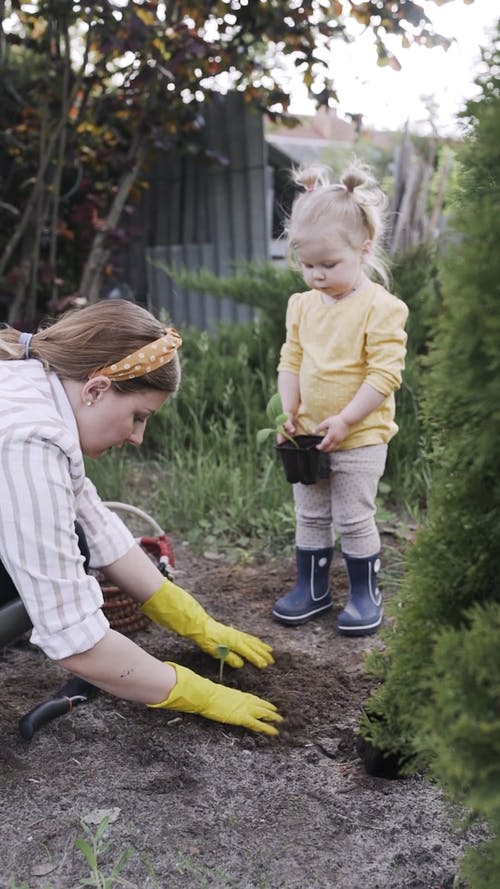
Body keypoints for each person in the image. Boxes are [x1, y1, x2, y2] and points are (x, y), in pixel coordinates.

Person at [0, 299, 282, 736]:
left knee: (76, 538)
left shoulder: (33, 383)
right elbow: (74, 637)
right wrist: (198, 693)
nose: (137, 437)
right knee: (54, 566)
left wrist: (189, 617)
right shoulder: (29, 440)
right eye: (138, 417)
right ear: (96, 389)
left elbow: (93, 520)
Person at [272, 160, 409, 636]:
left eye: (328, 265)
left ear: (363, 248)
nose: (315, 275)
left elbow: (384, 374)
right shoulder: (301, 305)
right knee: (310, 514)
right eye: (307, 265)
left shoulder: (381, 308)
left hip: (361, 435)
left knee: (352, 518)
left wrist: (348, 420)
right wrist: (289, 409)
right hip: (309, 436)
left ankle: (365, 595)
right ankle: (312, 589)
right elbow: (291, 360)